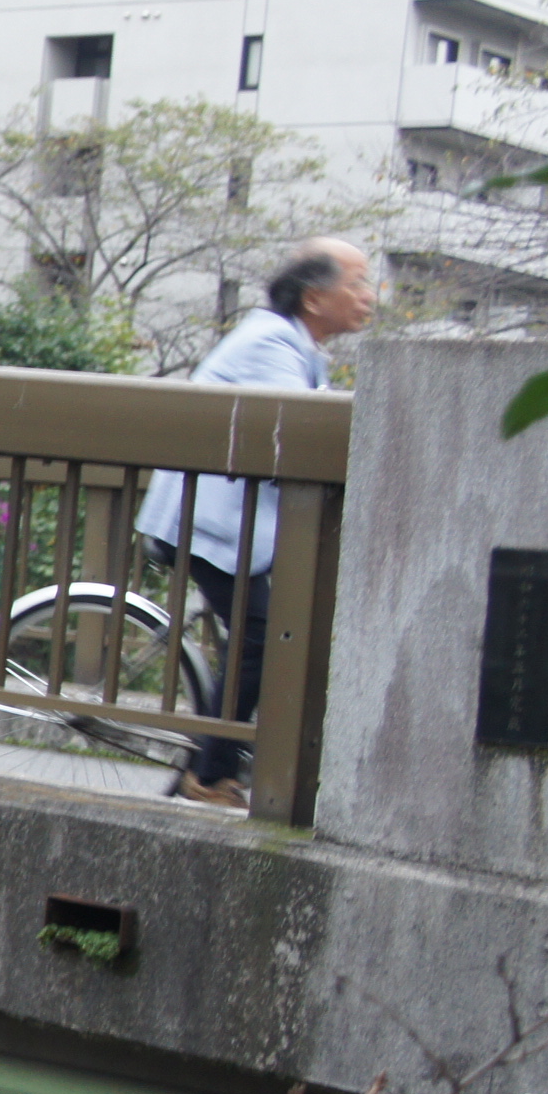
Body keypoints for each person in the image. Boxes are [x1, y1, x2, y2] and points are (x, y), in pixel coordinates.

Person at [137, 238, 373, 807]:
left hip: (231, 527)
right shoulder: (271, 342)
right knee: (265, 636)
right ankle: (211, 774)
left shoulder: (296, 344)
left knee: (266, 632)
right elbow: (296, 439)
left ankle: (217, 763)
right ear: (316, 298)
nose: (370, 296)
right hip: (212, 526)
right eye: (359, 283)